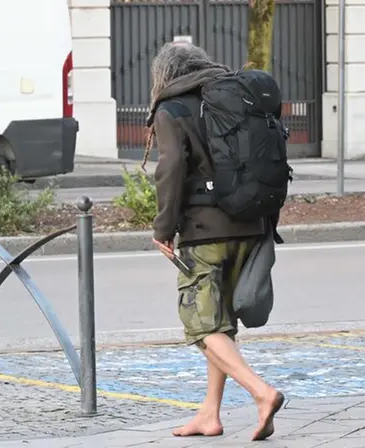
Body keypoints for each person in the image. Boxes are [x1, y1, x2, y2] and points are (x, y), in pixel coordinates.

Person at [146, 41, 285, 441]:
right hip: (250, 223)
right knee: (222, 324)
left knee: (201, 323)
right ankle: (210, 414)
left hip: (205, 232)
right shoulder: (233, 99)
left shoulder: (172, 109)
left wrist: (162, 228)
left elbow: (170, 170)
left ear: (165, 75)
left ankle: (262, 393)